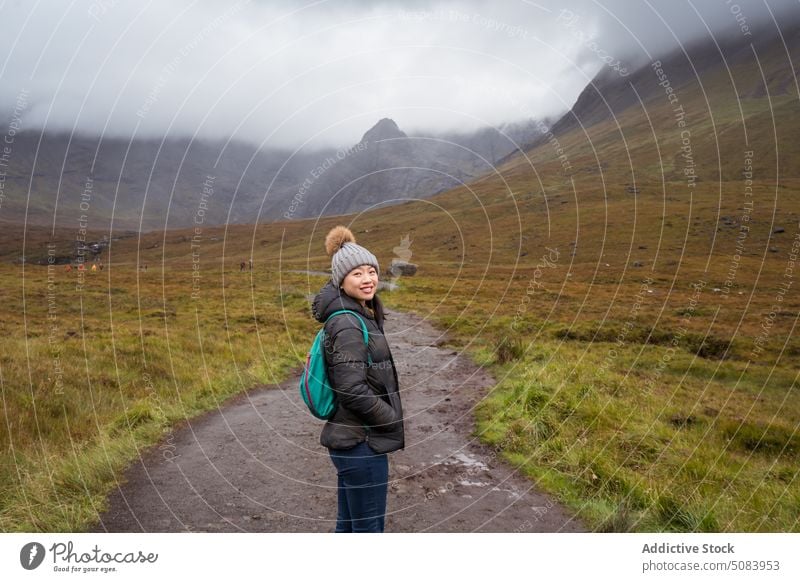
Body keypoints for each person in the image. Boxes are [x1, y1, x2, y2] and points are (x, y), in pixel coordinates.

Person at [311, 225, 404, 533]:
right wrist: (389, 419)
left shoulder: (357, 315)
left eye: (371, 271)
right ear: (341, 281)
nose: (368, 280)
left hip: (352, 442)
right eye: (357, 274)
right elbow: (351, 388)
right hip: (361, 442)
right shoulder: (349, 323)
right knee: (367, 531)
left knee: (350, 527)